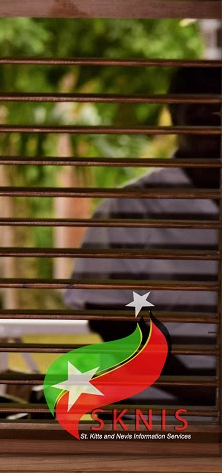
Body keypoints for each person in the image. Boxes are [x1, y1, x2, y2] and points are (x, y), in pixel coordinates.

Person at [64, 65, 220, 406]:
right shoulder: (127, 210)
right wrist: (199, 390)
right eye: (197, 110)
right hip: (157, 412)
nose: (211, 124)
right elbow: (110, 320)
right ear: (174, 115)